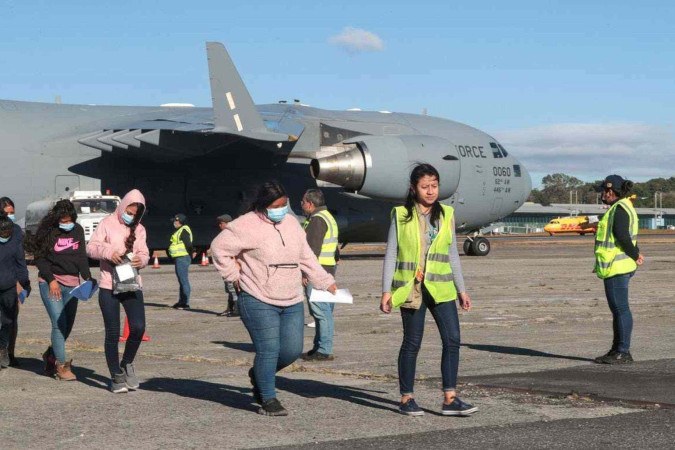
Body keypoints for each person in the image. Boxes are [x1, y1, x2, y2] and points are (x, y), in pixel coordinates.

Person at [211, 180, 337, 416]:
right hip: (257, 296)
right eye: (277, 205)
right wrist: (233, 276)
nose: (282, 209)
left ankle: (259, 374)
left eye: (285, 204)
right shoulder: (246, 225)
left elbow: (306, 256)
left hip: (291, 298)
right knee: (268, 349)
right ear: (263, 205)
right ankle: (268, 398)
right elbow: (219, 248)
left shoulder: (292, 224)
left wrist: (325, 281)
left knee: (290, 350)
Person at [380, 163, 477, 417]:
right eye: (425, 186)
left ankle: (450, 398)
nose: (431, 191)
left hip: (442, 288)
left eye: (434, 186)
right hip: (412, 289)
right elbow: (391, 253)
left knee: (453, 339)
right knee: (412, 342)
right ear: (414, 188)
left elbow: (452, 254)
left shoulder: (447, 213)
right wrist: (386, 291)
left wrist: (462, 289)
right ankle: (406, 398)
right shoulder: (400, 214)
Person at [87, 190, 150, 393]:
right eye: (129, 211)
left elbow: (144, 251)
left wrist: (143, 259)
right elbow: (91, 247)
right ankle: (115, 375)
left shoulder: (139, 229)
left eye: (135, 213)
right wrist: (108, 253)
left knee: (138, 327)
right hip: (108, 285)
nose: (130, 216)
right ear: (123, 206)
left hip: (131, 284)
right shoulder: (107, 223)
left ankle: (127, 362)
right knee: (112, 333)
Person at [29, 200, 92, 380]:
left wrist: (87, 277)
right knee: (58, 323)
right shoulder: (48, 231)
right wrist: (51, 280)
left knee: (67, 326)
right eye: (62, 221)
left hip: (72, 284)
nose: (66, 224)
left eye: (68, 220)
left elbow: (81, 257)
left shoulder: (78, 230)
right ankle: (62, 367)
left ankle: (50, 355)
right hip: (51, 283)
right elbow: (40, 259)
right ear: (56, 219)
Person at [593, 175, 644, 364]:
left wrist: (635, 254)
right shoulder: (624, 207)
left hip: (617, 267)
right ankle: (617, 350)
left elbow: (622, 236)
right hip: (620, 266)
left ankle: (623, 351)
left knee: (621, 309)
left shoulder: (619, 209)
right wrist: (636, 252)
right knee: (618, 310)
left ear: (610, 191)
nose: (601, 195)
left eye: (603, 191)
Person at [300, 189, 339, 361]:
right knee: (324, 311)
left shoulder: (317, 220)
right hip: (328, 269)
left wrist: (306, 272)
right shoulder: (328, 217)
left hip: (318, 272)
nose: (301, 205)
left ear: (310, 203)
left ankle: (323, 349)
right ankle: (319, 346)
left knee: (321, 312)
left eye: (302, 202)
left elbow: (311, 251)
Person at [0, 215, 30, 369]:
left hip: (8, 287)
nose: (5, 236)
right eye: (2, 233)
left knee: (8, 321)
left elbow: (21, 264)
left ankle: (2, 348)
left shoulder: (15, 242)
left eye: (7, 234)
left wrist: (25, 284)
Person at [1, 196, 23, 367]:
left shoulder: (16, 231)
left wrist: (20, 283)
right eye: (7, 213)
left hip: (11, 282)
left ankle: (10, 352)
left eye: (12, 213)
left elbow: (19, 259)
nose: (10, 216)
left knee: (11, 319)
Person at [215, 214, 239, 317]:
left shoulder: (232, 235)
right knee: (230, 288)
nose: (220, 226)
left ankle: (237, 310)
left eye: (221, 223)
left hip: (232, 266)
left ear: (226, 223)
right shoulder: (226, 234)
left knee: (234, 288)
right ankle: (230, 308)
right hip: (226, 265)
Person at [169, 213, 194, 309]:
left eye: (175, 221)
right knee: (181, 280)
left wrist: (191, 255)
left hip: (182, 257)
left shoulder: (184, 230)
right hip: (180, 257)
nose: (174, 222)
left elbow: (188, 244)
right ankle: (181, 301)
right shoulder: (180, 230)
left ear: (180, 221)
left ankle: (185, 303)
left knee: (183, 280)